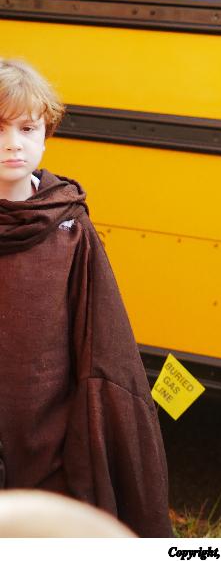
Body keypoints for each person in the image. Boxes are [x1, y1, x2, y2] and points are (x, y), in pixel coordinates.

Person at [0, 58, 171, 537]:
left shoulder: (68, 224)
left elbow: (102, 335)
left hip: (52, 419)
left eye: (27, 128)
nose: (13, 143)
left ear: (46, 134)